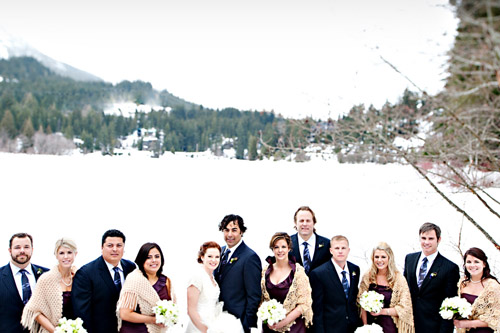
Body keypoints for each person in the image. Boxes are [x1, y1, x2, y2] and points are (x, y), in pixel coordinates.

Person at [72, 229, 136, 333]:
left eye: (119, 245)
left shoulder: (131, 267)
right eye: (110, 245)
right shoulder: (86, 273)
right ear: (102, 247)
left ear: (124, 248)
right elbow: (82, 313)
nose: (114, 249)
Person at [403, 222, 459, 333]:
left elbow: (449, 305)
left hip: (433, 327)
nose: (426, 242)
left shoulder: (449, 268)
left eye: (431, 238)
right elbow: (404, 290)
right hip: (408, 325)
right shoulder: (409, 259)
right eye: (423, 238)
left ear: (438, 239)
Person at [213, 214, 262, 333]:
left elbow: (254, 295)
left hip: (237, 322)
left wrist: (247, 324)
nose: (230, 234)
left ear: (241, 232)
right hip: (217, 319)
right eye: (226, 230)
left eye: (234, 230)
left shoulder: (250, 257)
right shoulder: (219, 252)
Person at [21, 238, 79, 332]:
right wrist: (56, 331)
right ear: (56, 255)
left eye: (69, 252)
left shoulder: (79, 278)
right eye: (61, 253)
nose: (66, 257)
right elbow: (35, 311)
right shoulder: (46, 279)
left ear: (75, 254)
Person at [117, 242, 176, 333]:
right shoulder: (134, 279)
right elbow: (124, 314)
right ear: (141, 260)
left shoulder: (166, 281)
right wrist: (153, 320)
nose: (153, 260)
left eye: (157, 256)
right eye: (149, 257)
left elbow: (173, 307)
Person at [186, 241, 243, 333]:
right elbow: (191, 310)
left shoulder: (212, 278)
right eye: (210, 256)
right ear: (202, 257)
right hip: (199, 325)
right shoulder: (197, 277)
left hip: (213, 322)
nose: (214, 260)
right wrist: (205, 330)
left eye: (217, 257)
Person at [260, 232, 313, 332]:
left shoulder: (298, 272)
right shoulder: (265, 271)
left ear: (289, 249)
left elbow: (304, 303)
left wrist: (282, 322)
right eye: (276, 247)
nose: (280, 250)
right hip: (270, 327)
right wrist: (267, 318)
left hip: (293, 327)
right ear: (272, 249)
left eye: (283, 247)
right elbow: (261, 300)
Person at [358, 242, 415, 333]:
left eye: (383, 257)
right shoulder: (367, 276)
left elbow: (404, 309)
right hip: (370, 326)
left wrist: (382, 311)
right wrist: (365, 327)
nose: (379, 260)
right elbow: (361, 304)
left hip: (389, 327)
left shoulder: (398, 279)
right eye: (376, 257)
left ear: (389, 258)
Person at [309, 235, 361, 333]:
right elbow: (317, 309)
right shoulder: (319, 273)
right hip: (331, 328)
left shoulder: (355, 269)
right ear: (331, 250)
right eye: (337, 248)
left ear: (348, 250)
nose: (340, 251)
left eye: (343, 248)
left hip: (353, 326)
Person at [0, 232, 48, 333]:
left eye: (26, 247)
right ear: (10, 250)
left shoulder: (46, 274)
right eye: (17, 247)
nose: (22, 251)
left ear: (32, 250)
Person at [453, 247, 500, 332]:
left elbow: (496, 319)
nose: (472, 265)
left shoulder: (493, 286)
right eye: (469, 262)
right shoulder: (462, 283)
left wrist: (468, 324)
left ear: (484, 264)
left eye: (476, 262)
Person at [290, 206, 331, 275]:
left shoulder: (327, 244)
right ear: (295, 223)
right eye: (301, 221)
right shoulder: (286, 243)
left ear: (314, 223)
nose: (305, 224)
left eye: (308, 221)